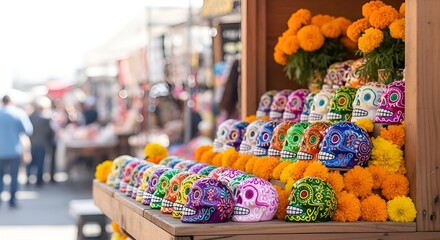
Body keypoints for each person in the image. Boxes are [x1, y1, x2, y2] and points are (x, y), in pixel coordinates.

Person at [0, 95, 33, 207]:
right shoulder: (19, 113)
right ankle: (12, 200)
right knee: (14, 176)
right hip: (14, 150)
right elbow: (28, 130)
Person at [27, 97, 54, 186]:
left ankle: (28, 179)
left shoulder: (30, 117)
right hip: (41, 143)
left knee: (30, 163)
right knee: (40, 163)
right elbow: (49, 132)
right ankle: (39, 181)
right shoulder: (45, 119)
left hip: (32, 143)